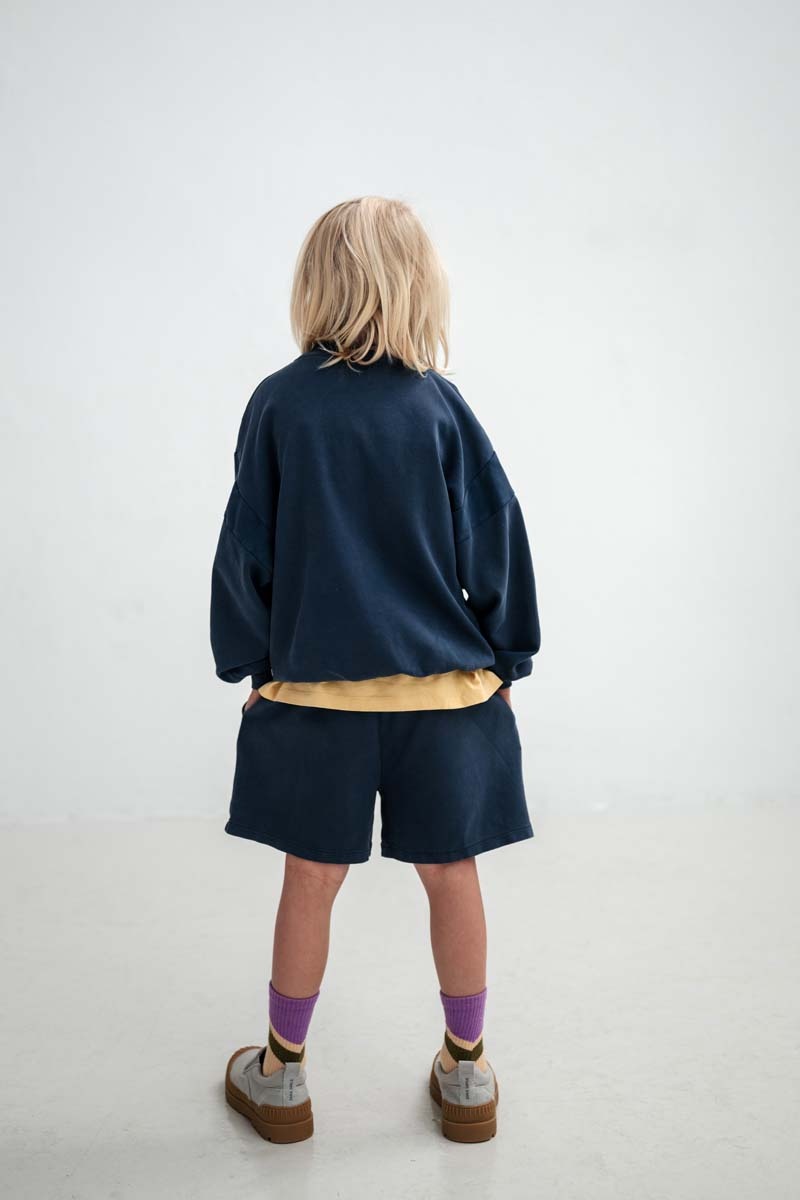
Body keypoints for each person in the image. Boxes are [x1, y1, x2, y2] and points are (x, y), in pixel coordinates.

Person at [210, 196, 540, 1144]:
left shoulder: (280, 404)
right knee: (451, 872)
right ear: (417, 283)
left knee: (311, 878)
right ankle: (467, 1072)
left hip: (317, 696)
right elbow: (495, 535)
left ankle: (281, 1075)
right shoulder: (439, 406)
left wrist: (252, 663)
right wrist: (508, 652)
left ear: (315, 284)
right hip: (446, 697)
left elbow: (247, 548)